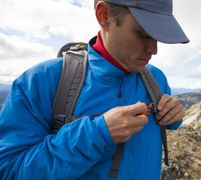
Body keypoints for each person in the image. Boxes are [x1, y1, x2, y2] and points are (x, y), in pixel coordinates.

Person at [0, 0, 189, 179]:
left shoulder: (156, 79)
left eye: (157, 36)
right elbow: (9, 171)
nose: (154, 49)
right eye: (143, 34)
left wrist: (174, 117)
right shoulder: (39, 82)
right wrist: (97, 134)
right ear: (104, 15)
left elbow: (167, 121)